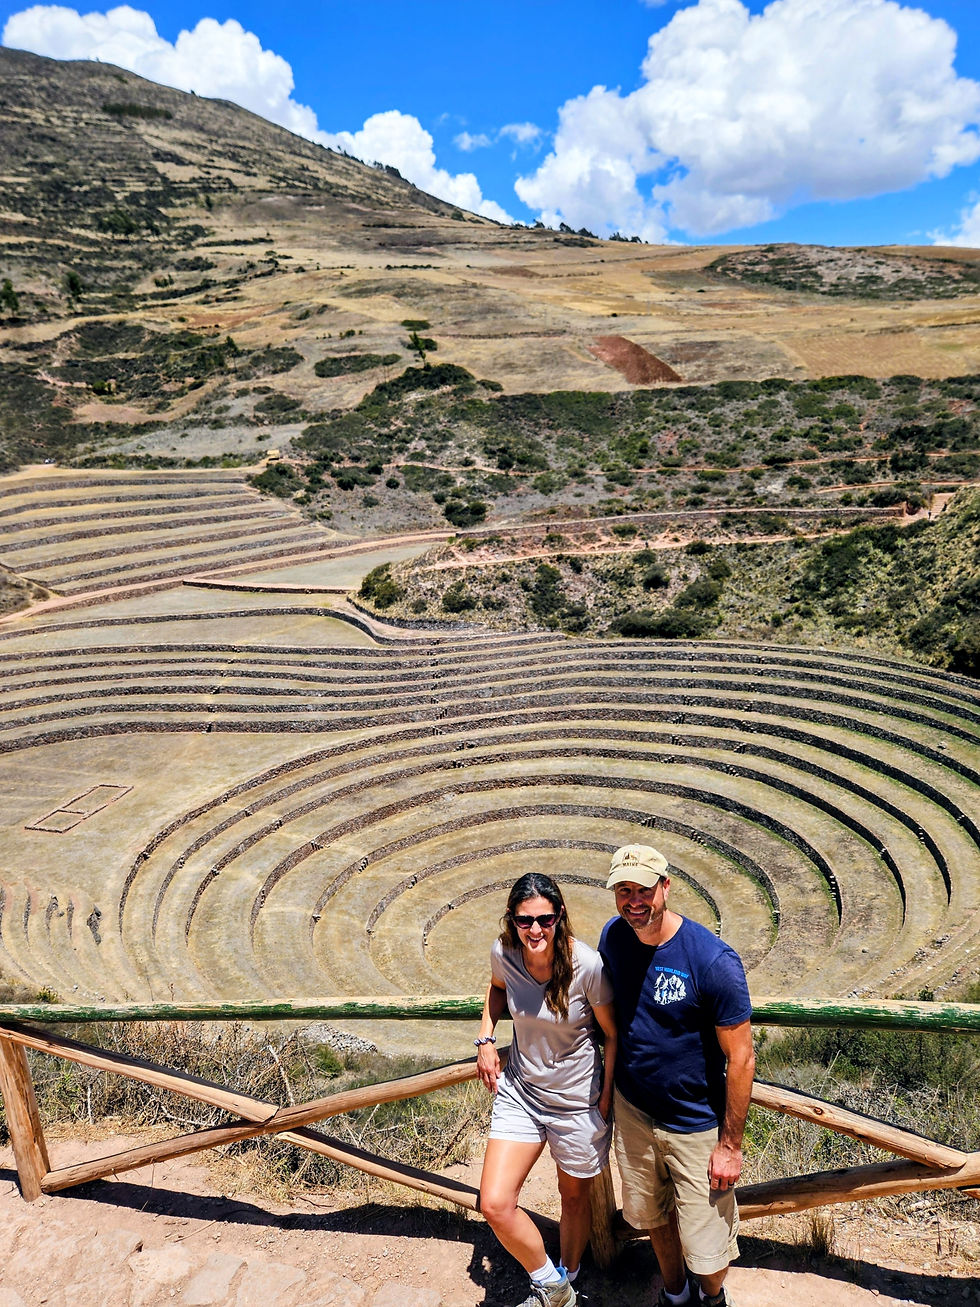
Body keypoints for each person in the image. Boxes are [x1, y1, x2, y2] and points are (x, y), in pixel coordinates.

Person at [598, 845, 754, 1307]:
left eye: (643, 889)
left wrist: (729, 1145)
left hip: (696, 1124)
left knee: (707, 1247)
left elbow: (741, 1057)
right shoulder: (614, 938)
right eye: (623, 891)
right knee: (651, 1215)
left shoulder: (711, 960)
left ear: (665, 886)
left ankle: (710, 1298)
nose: (634, 901)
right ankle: (675, 1294)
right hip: (634, 1112)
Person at [475, 872, 618, 1307]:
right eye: (524, 920)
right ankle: (553, 1288)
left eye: (545, 919)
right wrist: (485, 1037)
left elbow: (612, 1034)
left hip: (576, 1102)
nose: (535, 929)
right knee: (495, 1204)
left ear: (559, 918)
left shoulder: (587, 967)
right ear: (512, 920)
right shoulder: (505, 953)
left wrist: (606, 1097)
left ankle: (568, 1275)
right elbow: (497, 989)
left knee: (573, 1200)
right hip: (521, 1091)